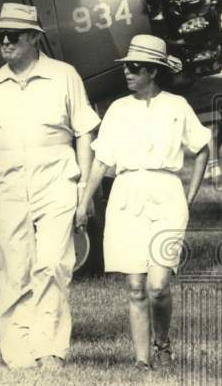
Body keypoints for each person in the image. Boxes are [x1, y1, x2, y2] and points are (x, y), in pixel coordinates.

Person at [0, 3, 99, 370]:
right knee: (14, 267)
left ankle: (50, 347)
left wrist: (84, 185)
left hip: (56, 176)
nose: (3, 42)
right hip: (10, 178)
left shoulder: (63, 75)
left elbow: (85, 131)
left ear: (34, 38)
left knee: (53, 262)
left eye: (13, 35)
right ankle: (20, 351)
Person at [75, 35, 210, 370]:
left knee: (158, 285)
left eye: (135, 68)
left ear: (153, 71)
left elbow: (202, 147)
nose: (128, 73)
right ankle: (141, 359)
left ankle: (163, 343)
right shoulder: (118, 110)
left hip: (166, 195)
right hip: (126, 195)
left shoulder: (177, 106)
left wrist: (190, 195)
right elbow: (102, 161)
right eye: (127, 68)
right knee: (136, 286)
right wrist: (83, 203)